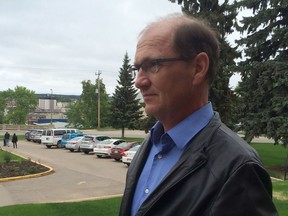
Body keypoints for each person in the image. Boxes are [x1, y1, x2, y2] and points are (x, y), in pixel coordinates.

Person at [119, 14, 278, 216]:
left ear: (198, 68)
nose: (139, 81)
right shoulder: (150, 143)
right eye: (137, 68)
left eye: (154, 65)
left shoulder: (238, 168)